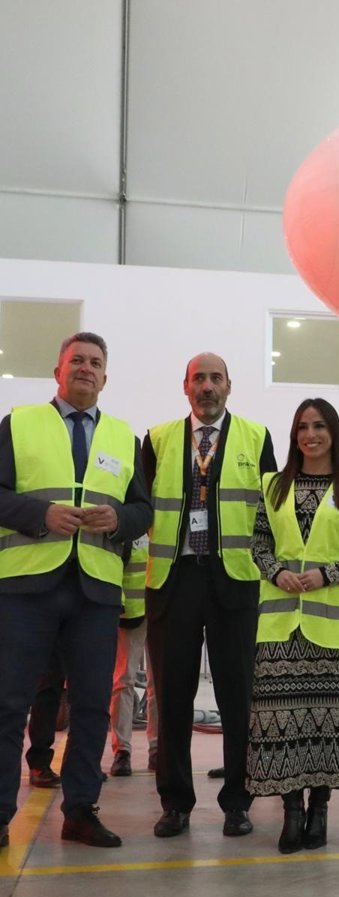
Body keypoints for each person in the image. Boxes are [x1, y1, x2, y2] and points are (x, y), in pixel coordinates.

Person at [0, 332, 152, 848]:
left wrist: (119, 519)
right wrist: (40, 514)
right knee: (10, 702)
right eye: (77, 361)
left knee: (90, 706)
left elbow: (143, 510)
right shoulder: (20, 424)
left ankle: (81, 811)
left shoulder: (124, 437)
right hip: (27, 587)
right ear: (58, 371)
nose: (86, 368)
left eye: (95, 363)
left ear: (105, 377)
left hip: (94, 593)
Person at [144, 352, 277, 839]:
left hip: (234, 581)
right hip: (174, 580)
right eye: (197, 378)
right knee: (173, 697)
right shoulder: (157, 439)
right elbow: (142, 506)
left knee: (237, 697)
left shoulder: (257, 437)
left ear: (229, 386)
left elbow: (271, 514)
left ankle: (237, 803)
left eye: (215, 377)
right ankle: (175, 803)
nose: (206, 386)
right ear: (185, 387)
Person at [248, 398, 339, 853]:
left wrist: (328, 574)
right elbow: (258, 544)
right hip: (281, 625)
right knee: (283, 723)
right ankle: (291, 812)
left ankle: (319, 810)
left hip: (337, 630)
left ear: (333, 433)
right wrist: (275, 571)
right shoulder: (272, 485)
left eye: (319, 426)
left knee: (326, 722)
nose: (311, 435)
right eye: (303, 427)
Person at [110, 534, 150, 775]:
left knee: (161, 684)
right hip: (130, 613)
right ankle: (122, 750)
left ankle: (158, 749)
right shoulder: (128, 523)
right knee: (123, 680)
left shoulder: (164, 521)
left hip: (161, 610)